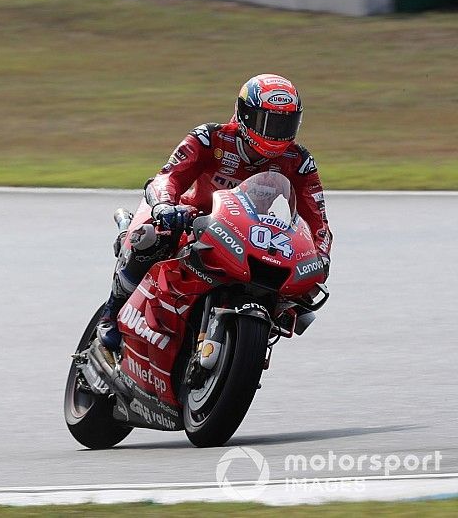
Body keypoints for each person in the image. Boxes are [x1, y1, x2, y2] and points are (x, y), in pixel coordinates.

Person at [95, 74, 333, 358]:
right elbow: (168, 177)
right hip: (189, 220)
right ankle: (111, 313)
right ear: (245, 114)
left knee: (296, 302)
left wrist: (321, 257)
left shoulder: (299, 162)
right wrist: (164, 207)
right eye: (268, 123)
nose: (276, 134)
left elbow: (317, 220)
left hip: (248, 235)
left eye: (285, 125)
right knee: (148, 239)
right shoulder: (210, 138)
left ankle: (238, 347)